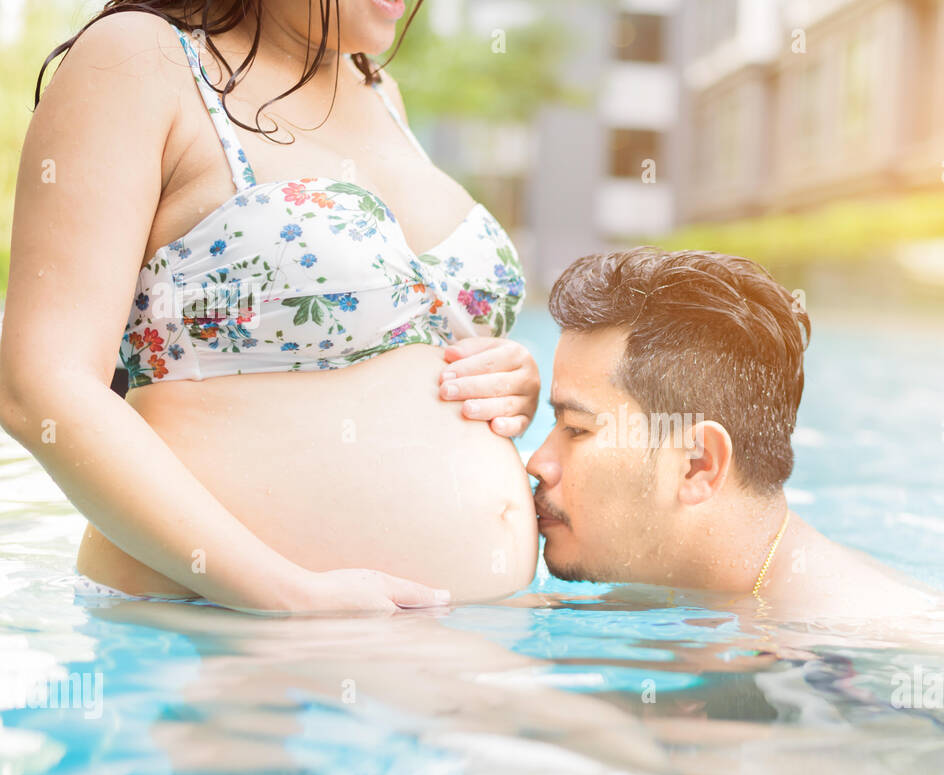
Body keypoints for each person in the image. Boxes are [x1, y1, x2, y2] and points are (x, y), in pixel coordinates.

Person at [0, 1, 540, 614]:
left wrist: (502, 379)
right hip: (220, 633)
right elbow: (41, 384)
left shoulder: (378, 89)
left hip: (469, 630)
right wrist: (286, 595)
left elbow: (397, 339)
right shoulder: (137, 59)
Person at [525, 247, 944, 713]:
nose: (538, 460)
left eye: (575, 430)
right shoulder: (692, 575)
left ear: (699, 465)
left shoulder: (851, 633)